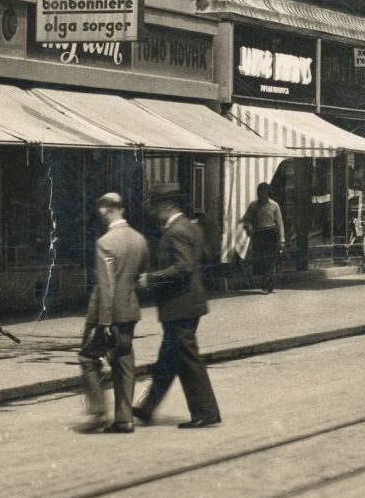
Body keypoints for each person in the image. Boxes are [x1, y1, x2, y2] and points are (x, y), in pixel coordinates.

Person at [134, 184, 222, 429]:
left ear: (166, 206)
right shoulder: (189, 227)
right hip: (187, 303)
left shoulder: (176, 231)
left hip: (181, 304)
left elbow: (183, 268)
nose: (152, 212)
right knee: (168, 358)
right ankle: (147, 406)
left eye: (154, 206)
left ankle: (205, 411)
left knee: (187, 358)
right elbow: (204, 255)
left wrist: (151, 278)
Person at [82, 193, 149, 434]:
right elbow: (141, 278)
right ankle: (125, 419)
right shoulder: (139, 240)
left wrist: (105, 321)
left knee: (87, 358)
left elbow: (107, 285)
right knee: (125, 363)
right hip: (131, 311)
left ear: (106, 210)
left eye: (101, 210)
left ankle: (99, 409)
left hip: (109, 315)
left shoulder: (106, 242)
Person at [241, 183, 285, 294]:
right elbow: (246, 220)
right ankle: (268, 283)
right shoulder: (253, 206)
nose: (260, 196)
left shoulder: (274, 206)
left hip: (270, 234)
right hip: (258, 235)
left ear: (267, 193)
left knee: (271, 260)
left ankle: (266, 285)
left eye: (262, 193)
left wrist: (282, 240)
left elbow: (280, 223)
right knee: (261, 261)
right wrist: (249, 227)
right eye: (258, 193)